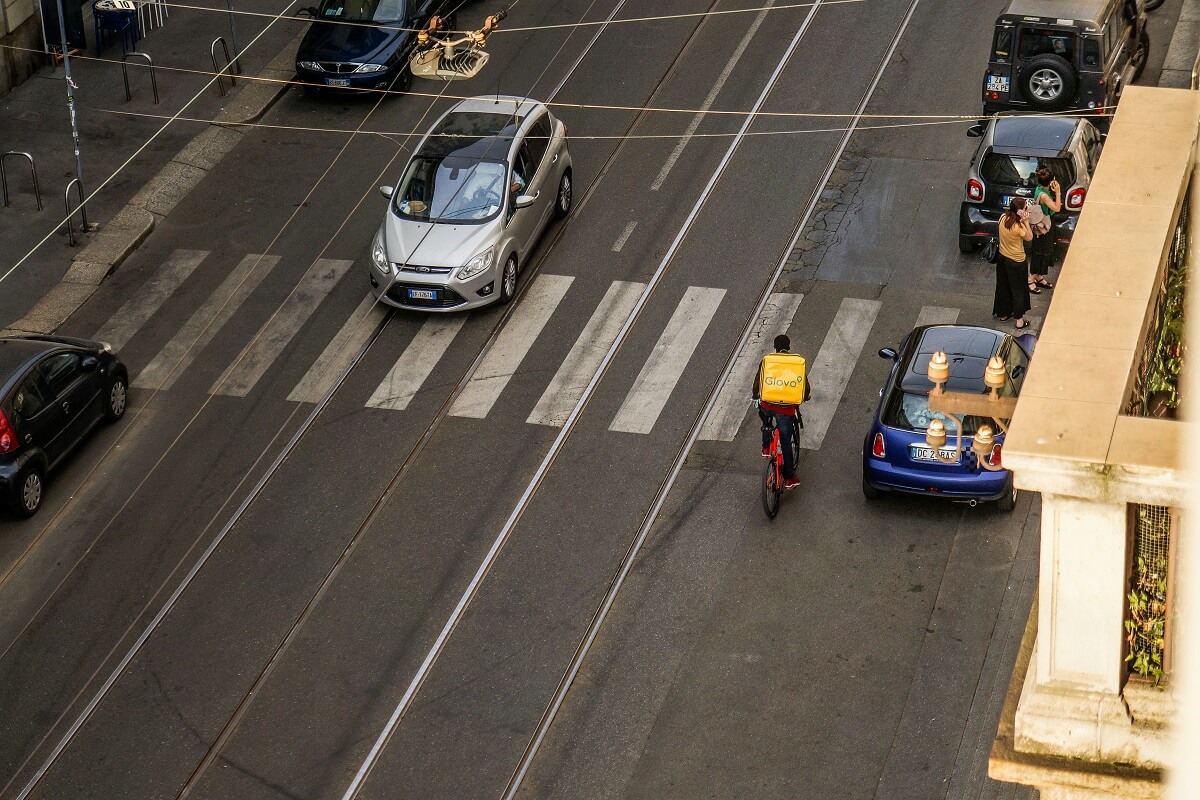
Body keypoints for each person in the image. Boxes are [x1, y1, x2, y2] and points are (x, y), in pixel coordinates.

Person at [752, 334, 810, 490]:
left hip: (767, 405)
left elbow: (758, 380)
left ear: (775, 347)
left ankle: (765, 448)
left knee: (766, 421)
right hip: (785, 410)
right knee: (785, 442)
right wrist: (806, 395)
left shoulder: (767, 360)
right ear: (789, 347)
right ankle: (790, 478)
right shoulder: (795, 364)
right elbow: (803, 385)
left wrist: (755, 396)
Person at [994, 197, 1033, 329]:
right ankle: (1019, 320)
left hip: (1002, 257)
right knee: (1018, 290)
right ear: (1020, 211)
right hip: (1017, 261)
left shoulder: (1002, 218)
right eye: (1025, 208)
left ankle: (1003, 313)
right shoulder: (1018, 226)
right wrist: (1026, 222)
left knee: (1003, 286)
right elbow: (1029, 237)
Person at [1028, 167, 1061, 292]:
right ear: (1052, 180)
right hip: (1044, 226)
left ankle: (1038, 276)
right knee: (1041, 252)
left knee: (1044, 251)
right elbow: (1057, 208)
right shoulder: (1044, 196)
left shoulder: (1040, 189)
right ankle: (1031, 278)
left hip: (1042, 224)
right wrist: (1057, 192)